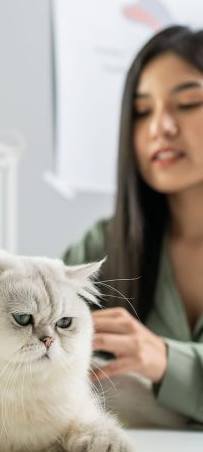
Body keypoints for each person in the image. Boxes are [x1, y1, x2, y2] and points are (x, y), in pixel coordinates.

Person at [63, 25, 203, 426]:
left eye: (190, 102)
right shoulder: (104, 244)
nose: (161, 127)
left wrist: (167, 361)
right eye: (142, 112)